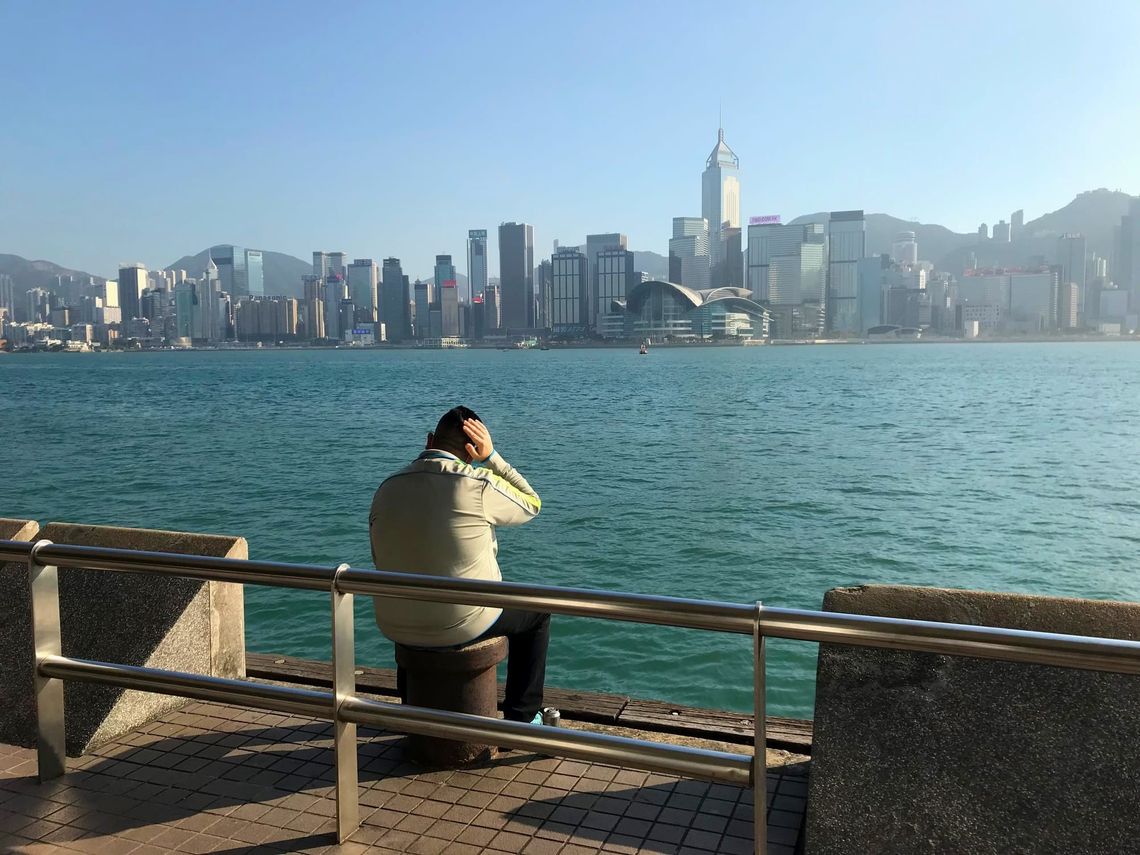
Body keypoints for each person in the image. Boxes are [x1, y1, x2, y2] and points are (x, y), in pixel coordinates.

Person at [369, 406, 549, 724]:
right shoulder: (476, 484)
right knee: (537, 614)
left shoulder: (387, 488)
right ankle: (522, 718)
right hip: (464, 622)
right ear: (471, 452)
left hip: (394, 623)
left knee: (413, 581)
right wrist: (492, 456)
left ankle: (412, 707)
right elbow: (531, 503)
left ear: (428, 440)